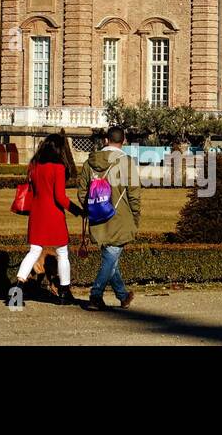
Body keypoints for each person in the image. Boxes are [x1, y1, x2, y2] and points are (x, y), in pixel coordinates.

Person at [11, 133, 80, 306]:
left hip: (37, 213)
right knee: (62, 253)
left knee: (34, 251)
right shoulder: (58, 167)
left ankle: (18, 288)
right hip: (53, 214)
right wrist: (77, 210)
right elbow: (60, 197)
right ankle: (64, 292)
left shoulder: (34, 165)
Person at [81, 125, 142, 310]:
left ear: (106, 140)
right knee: (110, 257)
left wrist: (91, 209)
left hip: (97, 217)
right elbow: (134, 195)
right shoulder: (127, 163)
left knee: (111, 258)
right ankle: (95, 295)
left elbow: (82, 192)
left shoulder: (89, 162)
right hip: (119, 218)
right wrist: (135, 217)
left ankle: (122, 295)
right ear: (123, 142)